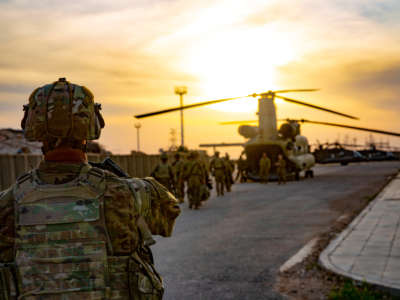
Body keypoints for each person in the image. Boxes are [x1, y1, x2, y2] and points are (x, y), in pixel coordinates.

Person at [0, 78, 181, 299]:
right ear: (93, 124)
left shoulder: (7, 203)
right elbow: (168, 216)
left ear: (32, 125)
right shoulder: (132, 193)